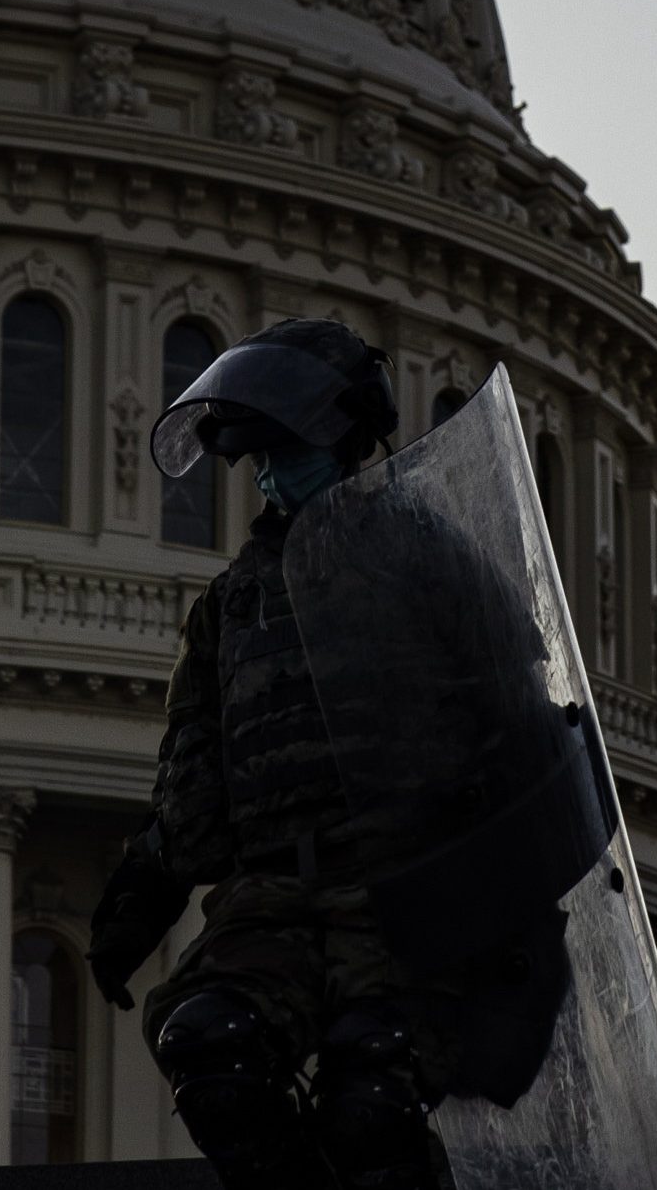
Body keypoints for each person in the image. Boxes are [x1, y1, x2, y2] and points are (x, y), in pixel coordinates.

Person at [91, 318, 581, 1190]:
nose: (274, 471)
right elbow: (195, 787)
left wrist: (513, 900)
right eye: (260, 454)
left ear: (346, 440)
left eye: (290, 446)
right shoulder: (230, 609)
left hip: (403, 893)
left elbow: (520, 718)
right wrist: (140, 898)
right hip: (274, 899)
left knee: (373, 1101)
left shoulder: (425, 556)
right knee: (211, 1043)